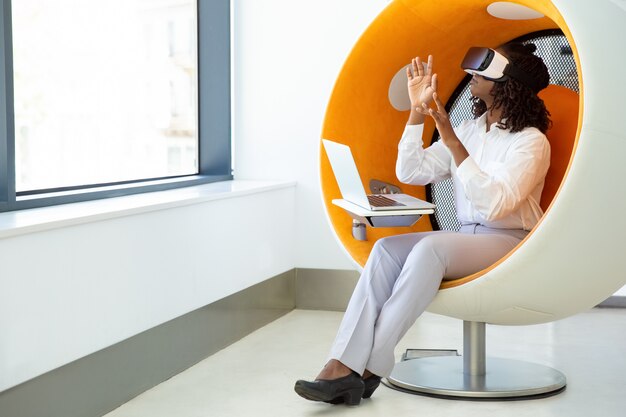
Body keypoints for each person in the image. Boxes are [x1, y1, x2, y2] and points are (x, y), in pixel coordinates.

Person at [294, 42, 552, 406]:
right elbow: (410, 170)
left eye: (483, 67)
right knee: (385, 250)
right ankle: (341, 363)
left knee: (431, 247)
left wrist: (450, 137)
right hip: (466, 239)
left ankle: (367, 368)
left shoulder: (531, 142)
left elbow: (495, 205)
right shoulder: (471, 130)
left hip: (509, 240)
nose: (471, 74)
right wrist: (417, 114)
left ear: (508, 82)